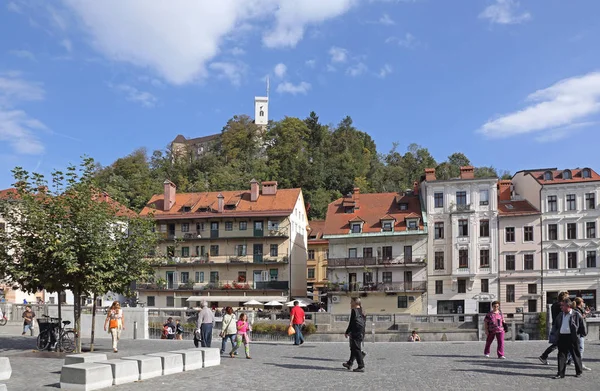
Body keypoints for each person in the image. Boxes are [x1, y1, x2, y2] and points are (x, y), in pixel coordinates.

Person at [549, 298, 586, 379]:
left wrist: (579, 335)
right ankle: (560, 373)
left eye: (562, 305)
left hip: (572, 337)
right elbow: (556, 324)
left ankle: (579, 371)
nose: (561, 307)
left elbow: (582, 325)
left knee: (575, 354)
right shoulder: (560, 315)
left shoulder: (576, 314)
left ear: (568, 306)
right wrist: (555, 334)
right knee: (561, 355)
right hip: (562, 337)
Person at [539, 291, 569, 365]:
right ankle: (544, 356)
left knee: (558, 343)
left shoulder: (553, 305)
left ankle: (568, 359)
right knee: (559, 344)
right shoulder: (561, 306)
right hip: (561, 326)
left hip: (555, 325)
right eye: (567, 297)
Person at [342, 297, 366, 372]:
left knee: (356, 348)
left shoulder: (354, 311)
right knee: (354, 348)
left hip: (356, 332)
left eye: (351, 302)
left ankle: (361, 365)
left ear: (355, 302)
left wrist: (347, 331)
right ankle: (350, 363)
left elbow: (352, 322)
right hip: (361, 332)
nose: (350, 303)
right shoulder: (362, 311)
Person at [568, 298, 591, 371]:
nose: (583, 302)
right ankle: (579, 363)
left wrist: (585, 313)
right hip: (579, 332)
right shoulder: (577, 310)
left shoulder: (580, 309)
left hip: (579, 332)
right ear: (580, 302)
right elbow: (578, 320)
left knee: (573, 348)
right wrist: (584, 315)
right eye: (582, 301)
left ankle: (570, 360)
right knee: (580, 348)